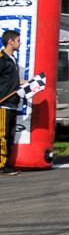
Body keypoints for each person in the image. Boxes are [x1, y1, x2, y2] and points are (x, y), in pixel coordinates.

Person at [0, 29, 24, 175]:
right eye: (18, 40)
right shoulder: (1, 59)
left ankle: (7, 163)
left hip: (12, 103)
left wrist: (27, 83)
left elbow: (10, 81)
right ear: (11, 41)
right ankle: (1, 164)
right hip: (2, 103)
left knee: (9, 135)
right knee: (2, 135)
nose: (20, 43)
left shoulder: (12, 59)